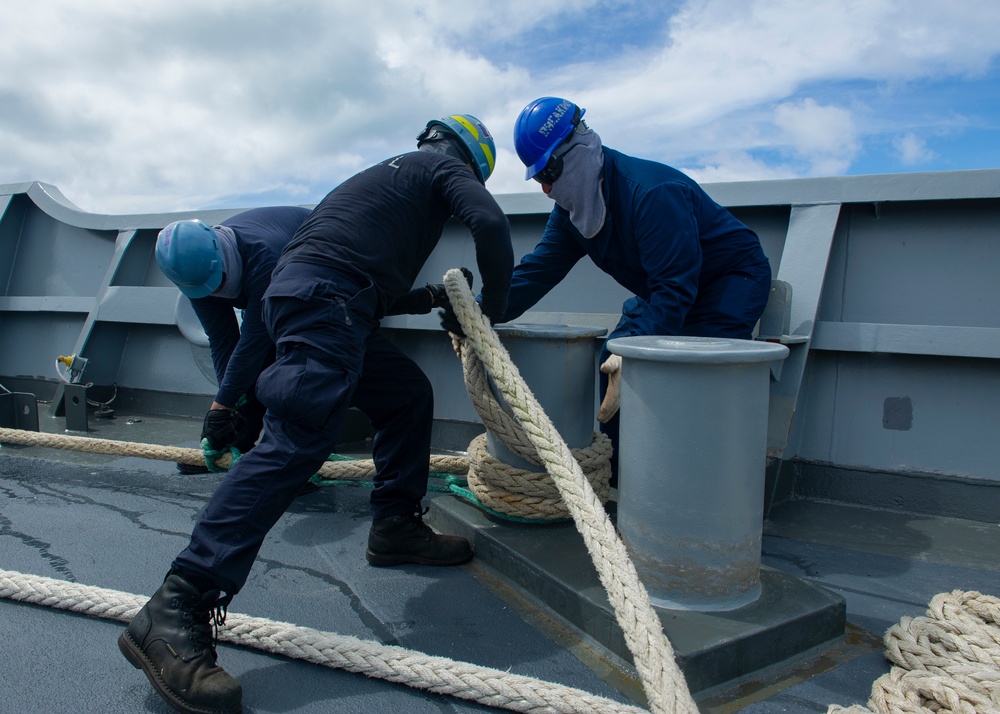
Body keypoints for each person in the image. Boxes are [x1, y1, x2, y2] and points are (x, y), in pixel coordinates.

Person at [119, 114, 514, 714]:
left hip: (322, 301)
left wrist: (429, 298)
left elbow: (364, 280)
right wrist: (494, 306)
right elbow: (487, 220)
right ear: (471, 160)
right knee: (297, 439)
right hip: (324, 303)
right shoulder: (441, 167)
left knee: (406, 392)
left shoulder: (380, 184)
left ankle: (395, 525)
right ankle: (177, 604)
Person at [503, 97, 772, 481]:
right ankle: (621, 481)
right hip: (665, 288)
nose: (546, 188)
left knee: (694, 379)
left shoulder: (651, 194)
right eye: (538, 178)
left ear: (575, 152)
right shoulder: (572, 215)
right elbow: (535, 273)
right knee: (610, 365)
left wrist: (638, 352)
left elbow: (675, 288)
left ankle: (698, 481)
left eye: (548, 172)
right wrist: (477, 310)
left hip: (729, 282)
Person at [155, 208, 311, 476]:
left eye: (219, 283)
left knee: (286, 355)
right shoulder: (194, 275)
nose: (214, 292)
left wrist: (221, 404)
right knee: (243, 369)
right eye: (206, 289)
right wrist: (228, 411)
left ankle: (294, 456)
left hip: (306, 274)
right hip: (258, 287)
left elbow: (255, 338)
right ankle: (239, 442)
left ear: (221, 259)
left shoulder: (267, 256)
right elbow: (222, 339)